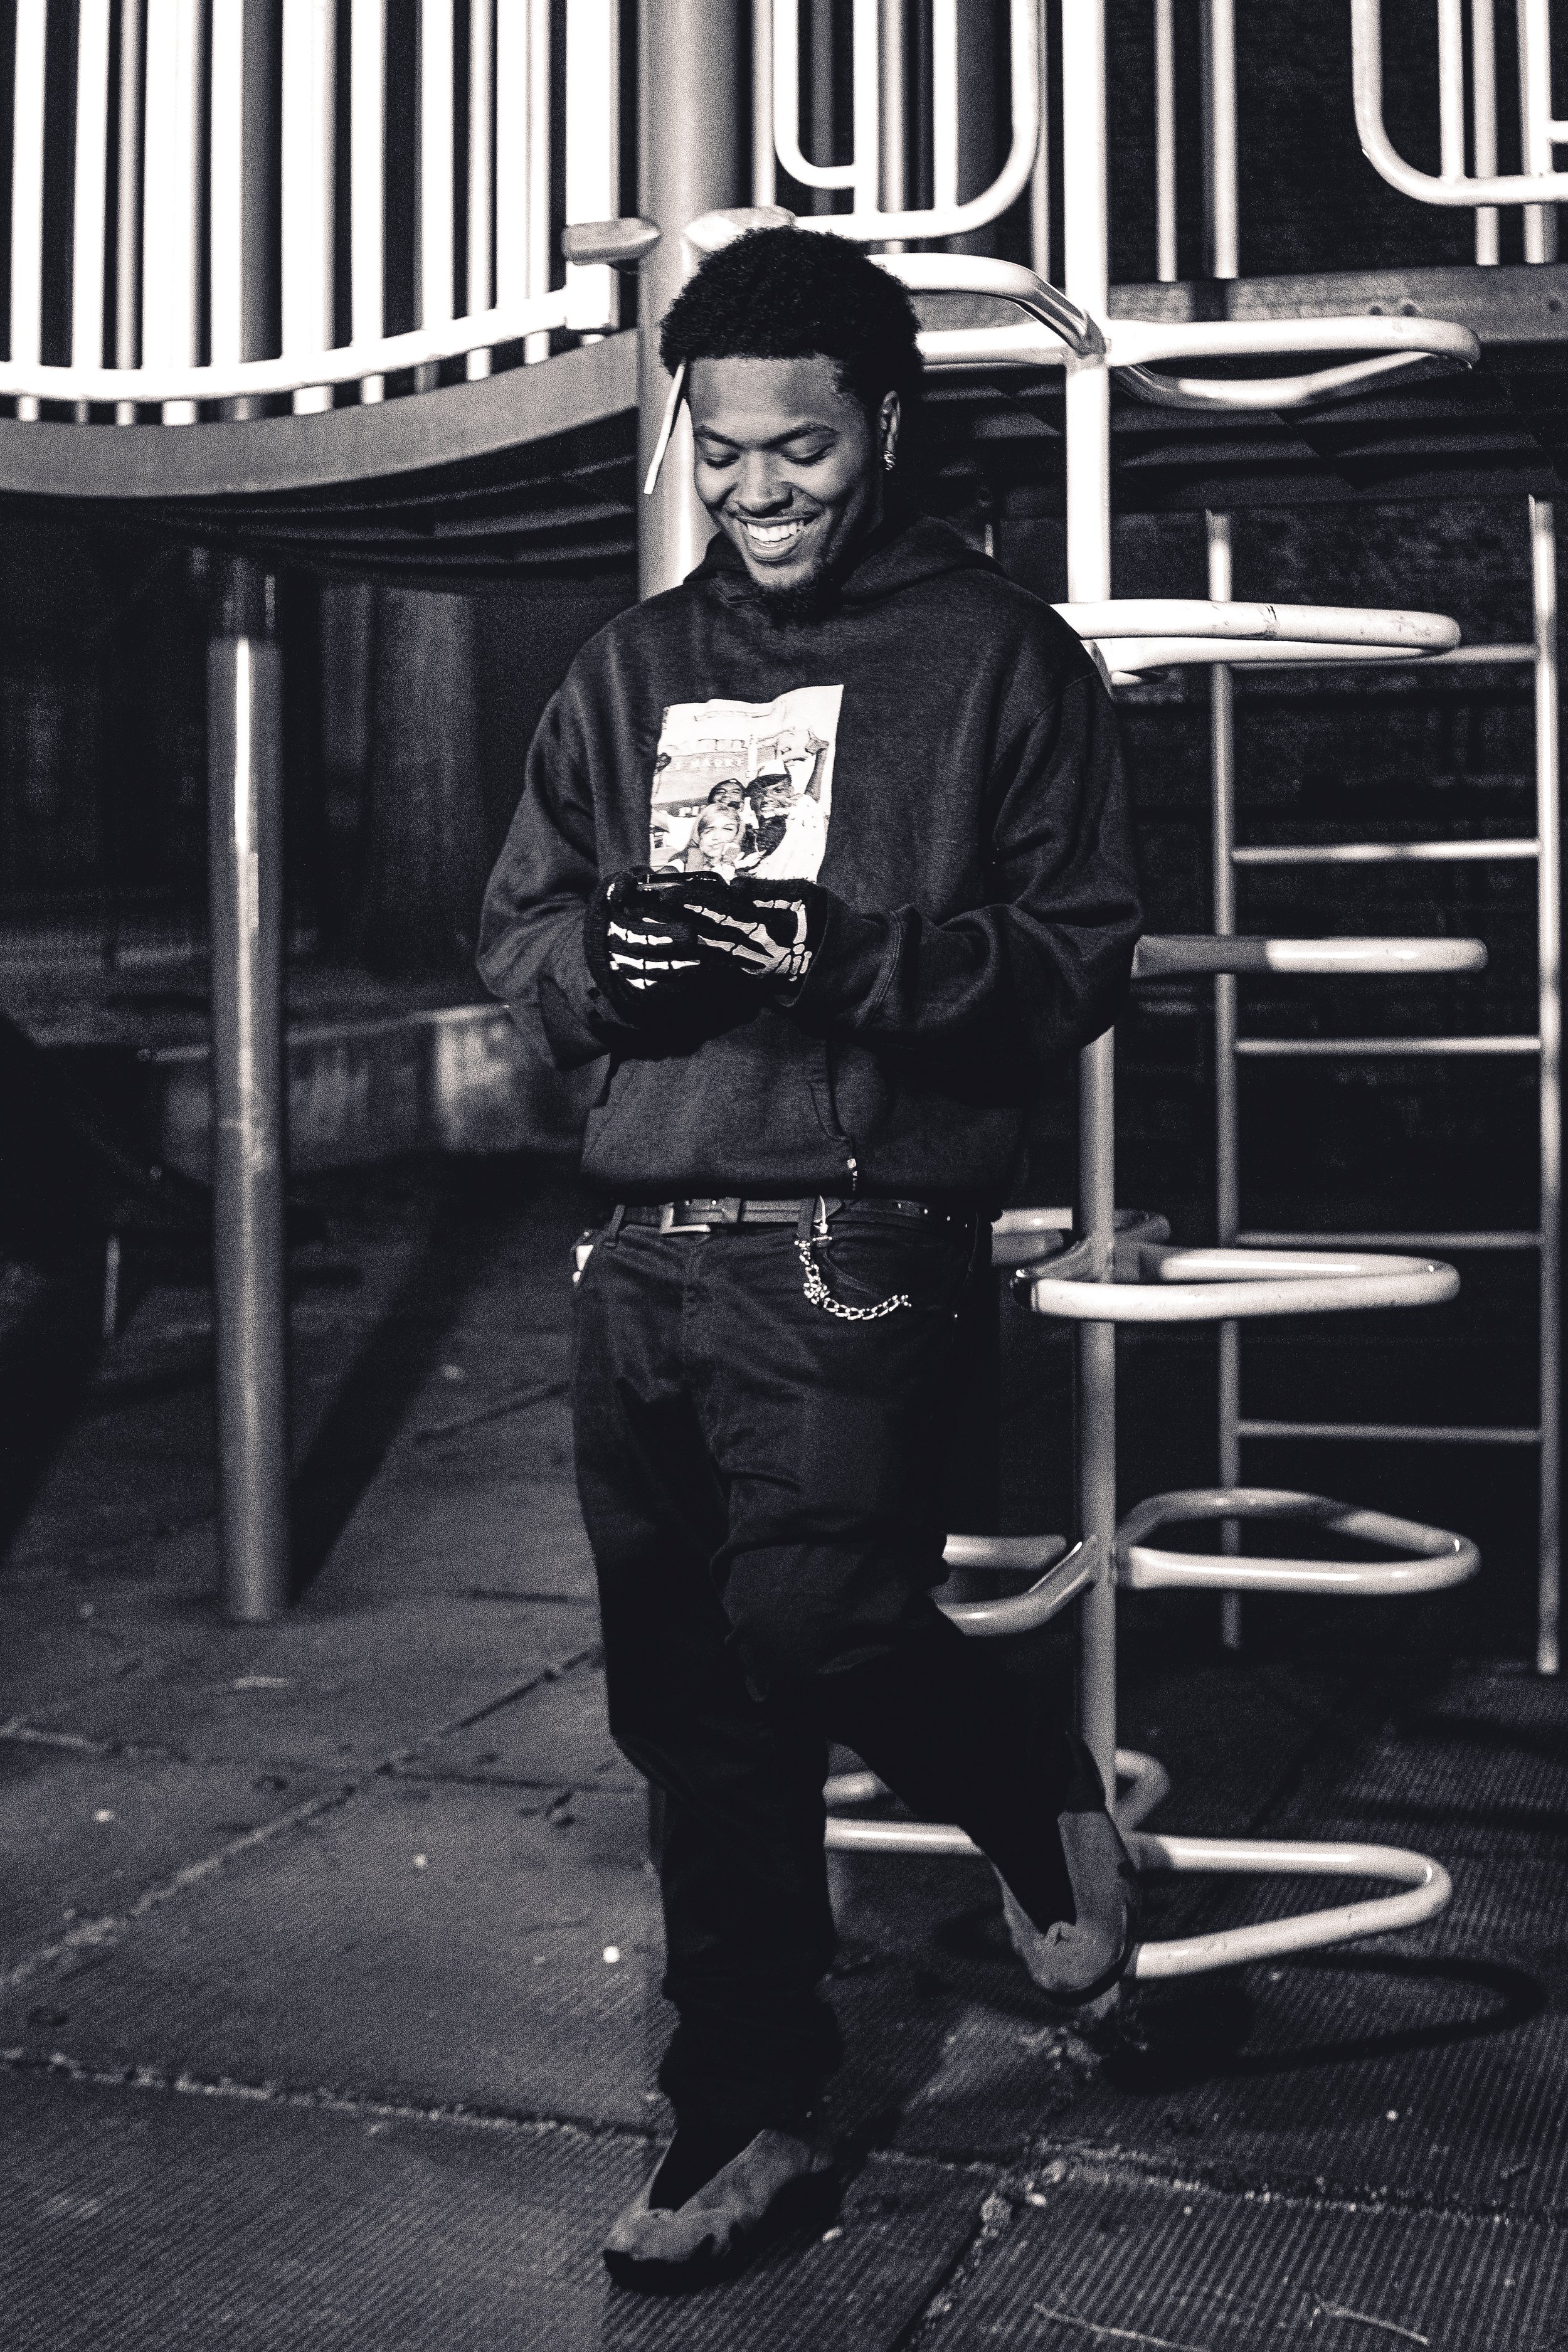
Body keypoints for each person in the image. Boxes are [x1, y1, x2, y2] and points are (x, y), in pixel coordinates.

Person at [479, 226, 1143, 2292]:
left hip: (857, 1248)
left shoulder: (999, 657)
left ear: (887, 430)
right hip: (637, 1256)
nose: (758, 493)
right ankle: (735, 2112)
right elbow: (516, 942)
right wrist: (613, 962)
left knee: (821, 1618)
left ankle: (1024, 1786)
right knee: (695, 1711)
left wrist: (831, 954)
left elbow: (1076, 961)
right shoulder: (629, 669)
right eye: (726, 451)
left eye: (803, 453)